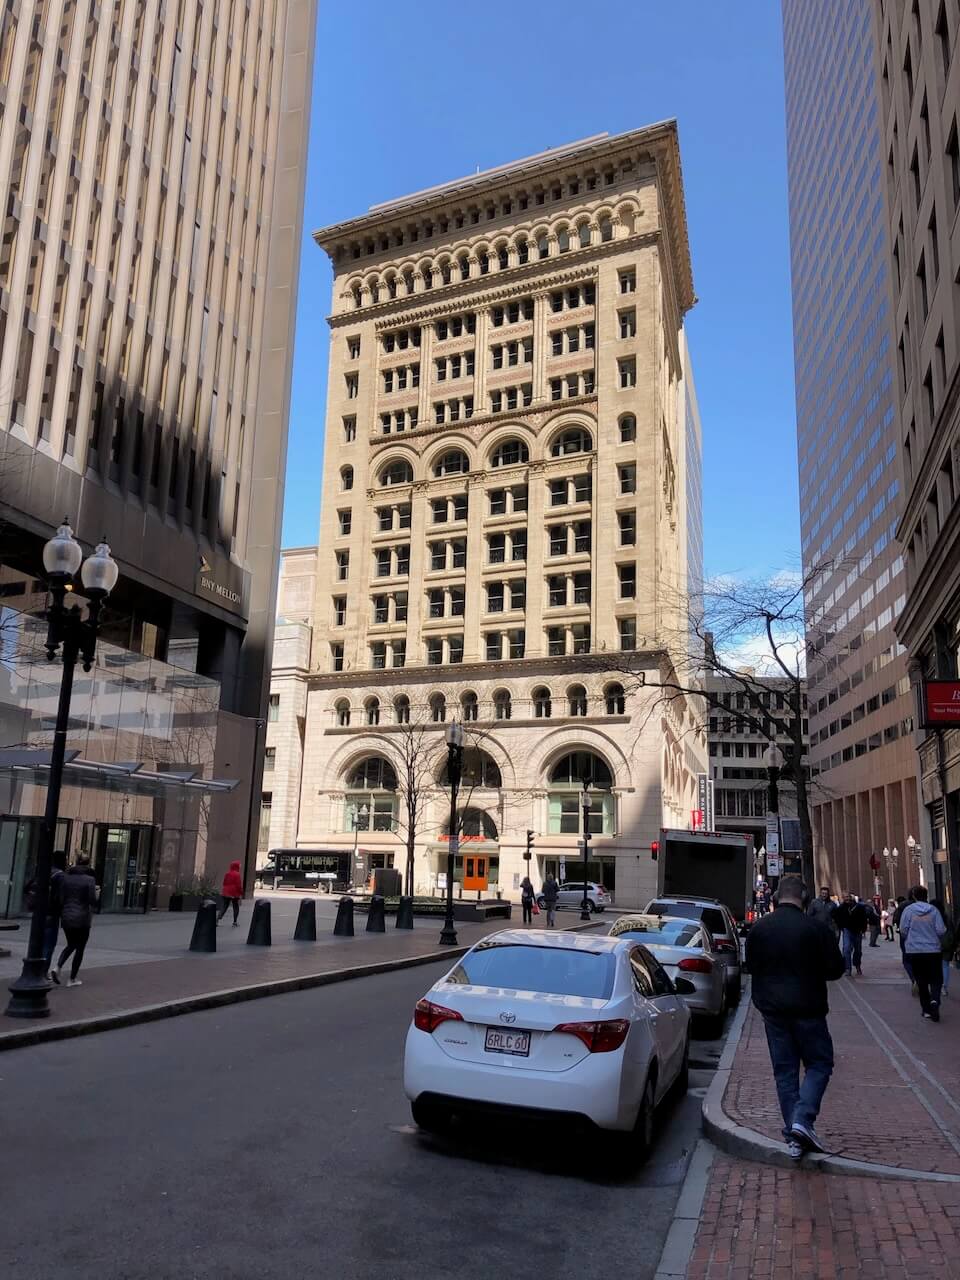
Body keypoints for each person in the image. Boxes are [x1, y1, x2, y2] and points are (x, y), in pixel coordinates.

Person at [745, 875, 845, 1160]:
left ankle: (795, 1133)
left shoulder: (760, 928)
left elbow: (750, 966)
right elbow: (836, 969)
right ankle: (802, 1120)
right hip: (808, 1008)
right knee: (819, 1063)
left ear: (777, 897)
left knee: (785, 1072)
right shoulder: (816, 929)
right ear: (804, 898)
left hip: (773, 1011)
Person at [52, 854, 98, 987]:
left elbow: (60, 898)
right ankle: (72, 978)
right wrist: (97, 895)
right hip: (82, 917)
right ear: (88, 864)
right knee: (80, 947)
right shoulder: (89, 879)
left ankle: (57, 967)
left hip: (67, 916)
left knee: (71, 944)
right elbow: (92, 900)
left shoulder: (66, 878)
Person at [900, 885, 946, 1021]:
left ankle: (926, 1009)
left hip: (915, 950)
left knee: (921, 979)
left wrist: (910, 938)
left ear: (914, 896)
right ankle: (935, 1000)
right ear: (926, 896)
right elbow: (941, 930)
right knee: (936, 978)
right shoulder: (934, 910)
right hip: (933, 950)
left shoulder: (908, 910)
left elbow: (903, 929)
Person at [42, 851, 67, 978]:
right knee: (49, 944)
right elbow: (62, 897)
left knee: (39, 942)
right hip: (52, 912)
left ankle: (37, 969)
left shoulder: (44, 871)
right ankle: (42, 971)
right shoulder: (60, 876)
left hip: (40, 912)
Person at [833, 892, 868, 976]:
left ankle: (857, 965)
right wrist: (841, 926)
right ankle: (847, 968)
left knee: (858, 950)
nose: (847, 899)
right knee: (846, 949)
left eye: (848, 897)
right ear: (843, 898)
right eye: (845, 897)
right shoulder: (841, 908)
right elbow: (836, 917)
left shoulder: (859, 907)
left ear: (851, 897)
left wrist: (863, 929)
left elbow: (864, 918)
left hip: (857, 930)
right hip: (847, 930)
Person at [931, 898, 955, 999]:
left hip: (934, 944)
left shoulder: (931, 917)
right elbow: (951, 931)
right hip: (946, 945)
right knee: (945, 966)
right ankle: (944, 987)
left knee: (935, 966)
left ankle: (936, 985)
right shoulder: (946, 917)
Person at [894, 894, 916, 991]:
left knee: (906, 959)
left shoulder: (903, 906)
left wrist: (898, 927)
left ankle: (914, 978)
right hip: (920, 937)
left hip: (906, 935)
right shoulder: (928, 907)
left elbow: (896, 918)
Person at [218, 860, 244, 926]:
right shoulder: (237, 874)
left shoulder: (227, 874)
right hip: (234, 893)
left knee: (224, 906)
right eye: (239, 866)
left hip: (226, 892)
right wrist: (241, 892)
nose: (240, 867)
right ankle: (235, 921)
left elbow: (224, 883)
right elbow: (238, 885)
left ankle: (217, 919)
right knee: (235, 906)